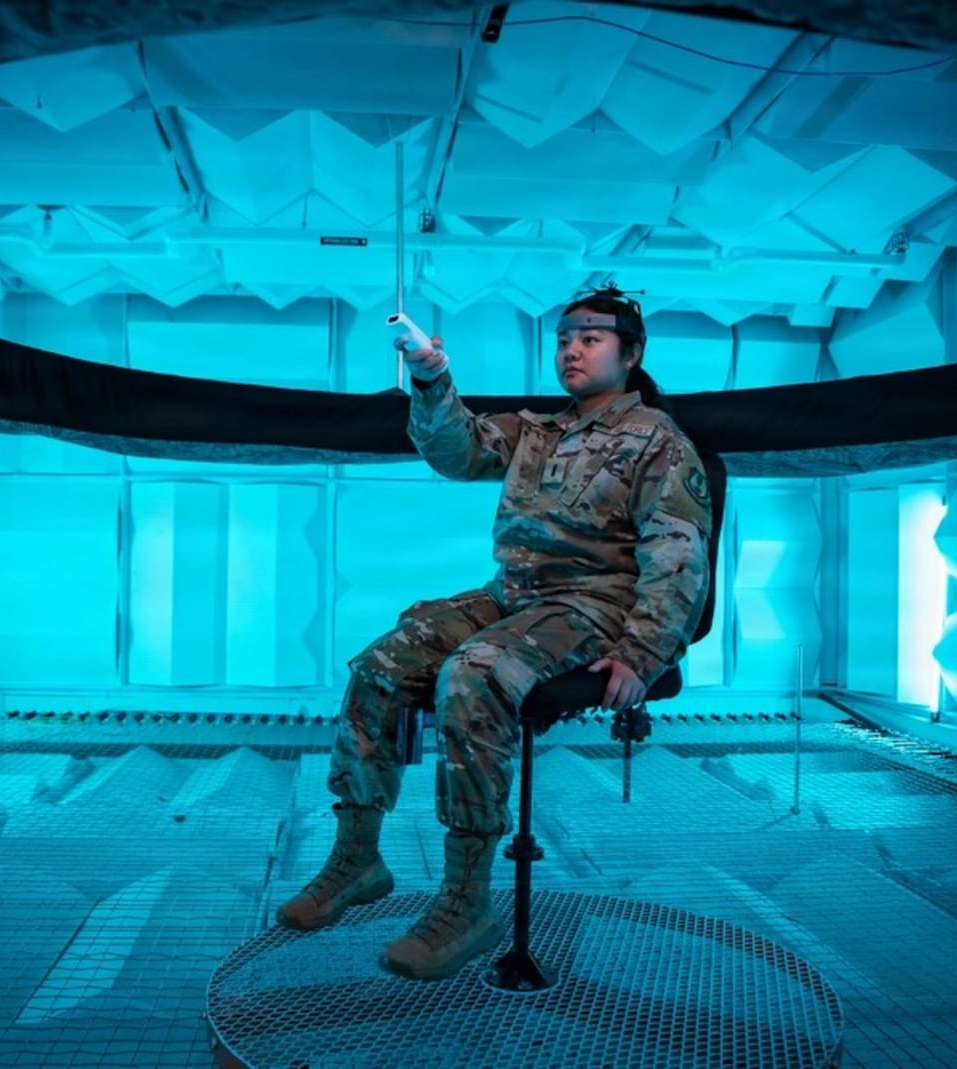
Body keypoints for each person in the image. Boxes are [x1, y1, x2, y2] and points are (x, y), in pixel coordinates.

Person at [276, 286, 714, 981]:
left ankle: (466, 899)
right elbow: (455, 452)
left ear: (630, 355)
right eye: (565, 334)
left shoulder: (658, 441)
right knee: (385, 659)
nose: (571, 347)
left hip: (594, 605)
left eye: (592, 337)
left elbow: (678, 552)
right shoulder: (535, 430)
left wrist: (642, 650)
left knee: (473, 669)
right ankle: (357, 855)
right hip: (513, 597)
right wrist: (430, 376)